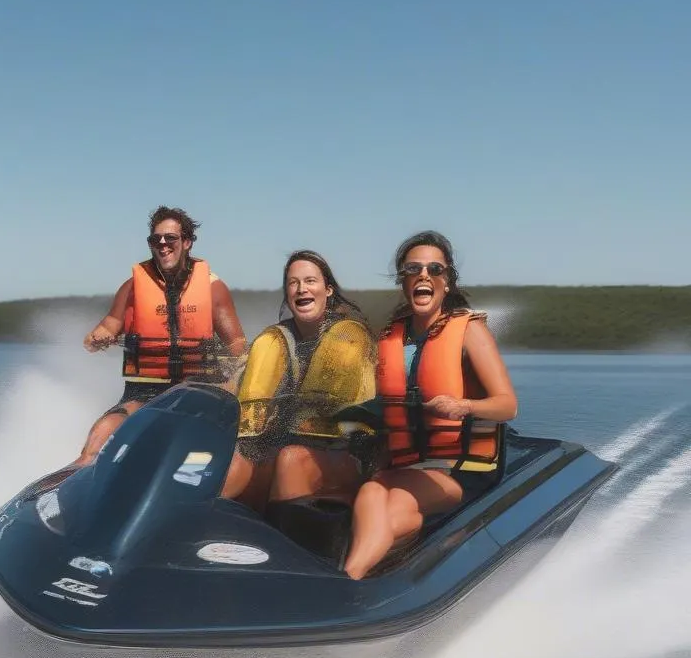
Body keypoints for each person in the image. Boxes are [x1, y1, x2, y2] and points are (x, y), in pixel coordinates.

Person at [342, 231, 518, 579]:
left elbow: (507, 406)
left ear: (447, 282)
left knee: (393, 499)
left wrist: (464, 406)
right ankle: (371, 573)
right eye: (413, 269)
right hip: (409, 464)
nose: (424, 275)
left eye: (435, 269)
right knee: (378, 495)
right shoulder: (391, 337)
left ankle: (350, 577)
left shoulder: (470, 331)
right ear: (403, 282)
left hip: (460, 469)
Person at [73, 206, 247, 466]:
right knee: (103, 431)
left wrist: (240, 368)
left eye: (171, 238)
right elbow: (109, 325)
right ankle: (72, 481)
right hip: (143, 393)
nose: (163, 244)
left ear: (186, 242)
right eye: (156, 239)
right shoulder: (132, 287)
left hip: (197, 391)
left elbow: (235, 342)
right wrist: (97, 337)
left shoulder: (212, 288)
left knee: (193, 443)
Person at [221, 250, 377, 511]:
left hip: (347, 453)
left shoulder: (348, 338)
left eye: (310, 281)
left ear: (328, 290)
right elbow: (241, 392)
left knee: (290, 460)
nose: (301, 289)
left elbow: (332, 417)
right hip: (286, 447)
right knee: (233, 461)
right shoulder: (275, 340)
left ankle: (284, 544)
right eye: (293, 283)